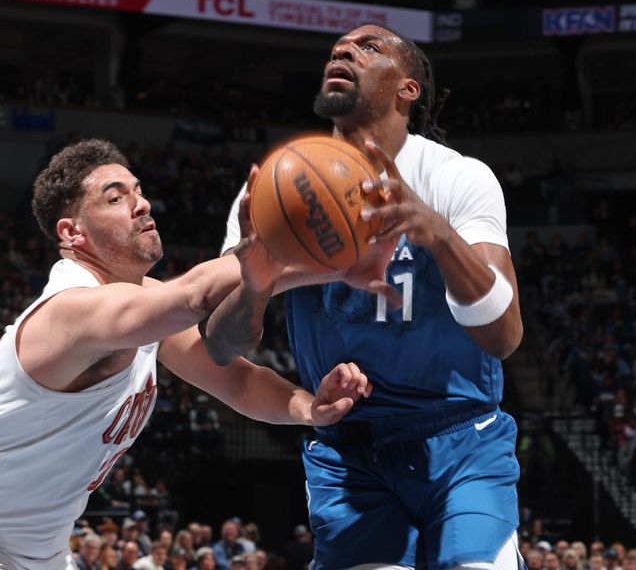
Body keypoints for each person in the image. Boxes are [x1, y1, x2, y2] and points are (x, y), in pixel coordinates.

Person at [208, 23, 524, 569]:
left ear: (408, 88)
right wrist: (255, 288)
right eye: (338, 48)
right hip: (346, 445)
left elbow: (503, 336)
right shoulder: (272, 189)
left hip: (459, 436)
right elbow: (219, 345)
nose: (344, 49)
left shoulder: (456, 177)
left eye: (369, 46)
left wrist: (437, 234)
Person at [0, 139, 372, 570]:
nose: (141, 204)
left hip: (34, 553)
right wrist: (284, 243)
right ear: (72, 233)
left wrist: (311, 408)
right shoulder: (71, 311)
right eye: (116, 198)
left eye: (138, 191)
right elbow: (195, 294)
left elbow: (237, 380)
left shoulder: (143, 305)